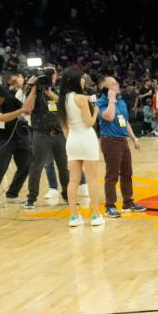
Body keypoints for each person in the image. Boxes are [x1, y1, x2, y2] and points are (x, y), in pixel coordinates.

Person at [57, 68, 105, 227]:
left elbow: (64, 127)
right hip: (86, 138)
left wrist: (71, 139)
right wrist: (96, 110)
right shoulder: (81, 98)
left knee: (72, 181)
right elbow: (89, 123)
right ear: (75, 81)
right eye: (81, 79)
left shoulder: (61, 100)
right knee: (91, 179)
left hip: (71, 140)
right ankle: (96, 215)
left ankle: (73, 217)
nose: (83, 81)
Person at [96, 75, 147, 218]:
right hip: (110, 141)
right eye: (113, 84)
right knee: (112, 175)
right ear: (105, 88)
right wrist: (111, 100)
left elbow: (124, 121)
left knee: (127, 173)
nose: (117, 86)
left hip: (122, 140)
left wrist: (133, 138)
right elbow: (109, 117)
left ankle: (128, 202)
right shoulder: (99, 102)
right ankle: (110, 206)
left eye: (117, 83)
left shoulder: (121, 102)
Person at [23, 67, 70, 210]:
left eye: (52, 74)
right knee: (36, 167)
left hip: (59, 134)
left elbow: (65, 106)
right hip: (41, 134)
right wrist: (32, 88)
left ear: (55, 76)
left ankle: (68, 195)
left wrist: (49, 92)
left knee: (64, 167)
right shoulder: (33, 91)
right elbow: (27, 109)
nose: (49, 77)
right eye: (46, 75)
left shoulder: (57, 90)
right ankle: (31, 198)